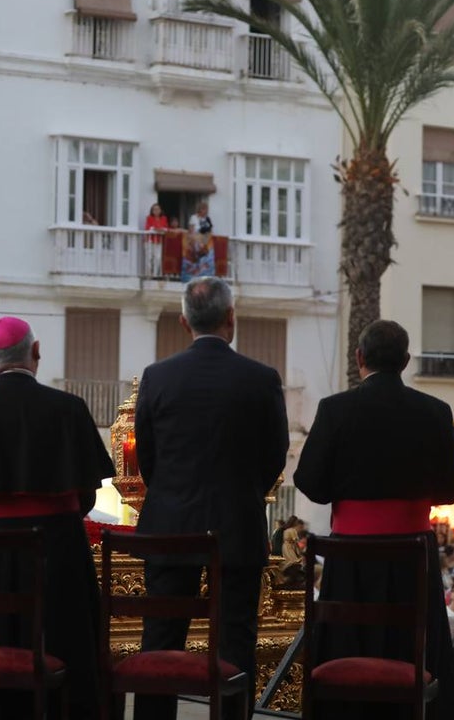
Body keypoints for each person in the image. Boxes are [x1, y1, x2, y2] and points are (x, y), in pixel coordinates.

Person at [0, 316, 115, 719]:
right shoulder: (68, 408)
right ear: (36, 352)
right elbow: (86, 493)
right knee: (65, 649)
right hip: (57, 554)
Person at [133, 276, 289, 720]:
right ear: (231, 318)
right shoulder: (261, 379)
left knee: (160, 643)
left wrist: (172, 493)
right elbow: (274, 455)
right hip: (237, 527)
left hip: (168, 528)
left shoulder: (157, 377)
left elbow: (147, 459)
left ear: (184, 321)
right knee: (236, 643)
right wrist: (243, 494)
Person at [294, 319, 454, 720]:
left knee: (349, 652)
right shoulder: (435, 412)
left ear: (359, 359)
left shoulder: (334, 409)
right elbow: (452, 487)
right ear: (405, 361)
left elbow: (311, 483)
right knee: (413, 651)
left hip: (350, 557)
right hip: (413, 556)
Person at [181, 203, 215, 281]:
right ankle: (192, 274)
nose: (205, 211)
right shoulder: (194, 217)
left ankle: (204, 273)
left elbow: (210, 230)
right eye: (203, 209)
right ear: (200, 209)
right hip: (195, 239)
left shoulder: (207, 219)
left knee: (204, 256)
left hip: (205, 239)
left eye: (206, 209)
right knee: (194, 257)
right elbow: (191, 229)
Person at [144, 203, 169, 277]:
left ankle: (155, 275)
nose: (156, 211)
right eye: (154, 209)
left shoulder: (164, 218)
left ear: (160, 210)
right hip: (149, 241)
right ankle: (148, 275)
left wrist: (159, 229)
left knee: (157, 258)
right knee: (149, 258)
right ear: (152, 211)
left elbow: (166, 229)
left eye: (158, 209)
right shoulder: (149, 218)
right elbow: (148, 228)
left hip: (158, 241)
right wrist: (158, 229)